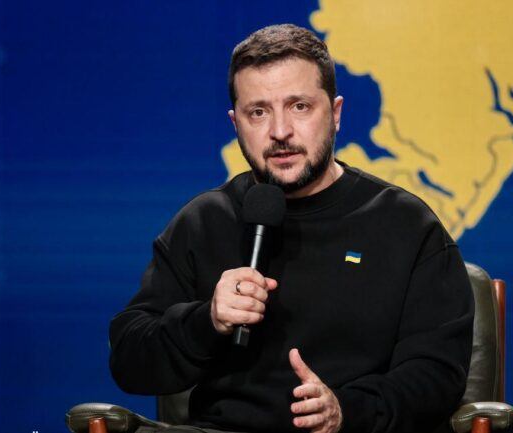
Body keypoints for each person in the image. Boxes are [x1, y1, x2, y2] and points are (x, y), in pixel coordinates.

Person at [109, 24, 474, 433]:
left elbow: (438, 373)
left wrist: (346, 411)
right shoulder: (205, 221)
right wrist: (205, 320)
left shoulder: (405, 225)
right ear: (235, 123)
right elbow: (129, 360)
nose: (280, 131)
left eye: (299, 106)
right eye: (258, 112)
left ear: (336, 113)